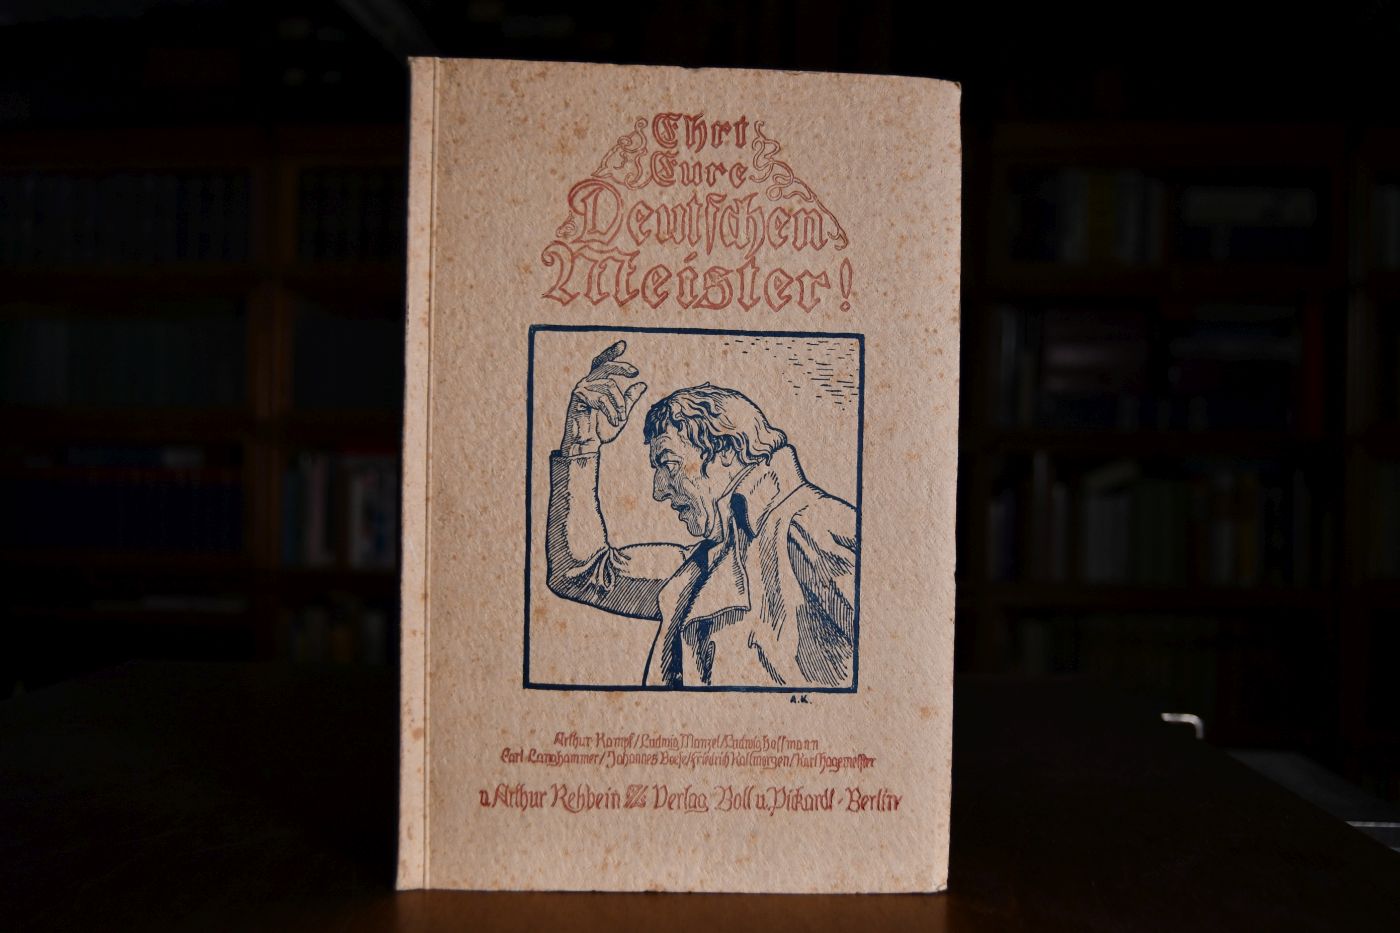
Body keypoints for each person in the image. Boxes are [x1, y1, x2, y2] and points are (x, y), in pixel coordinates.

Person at [546, 340, 858, 688]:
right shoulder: (699, 567)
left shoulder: (810, 524)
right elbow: (578, 573)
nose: (659, 490)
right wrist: (581, 442)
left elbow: (889, 660)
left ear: (725, 451)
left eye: (668, 463)